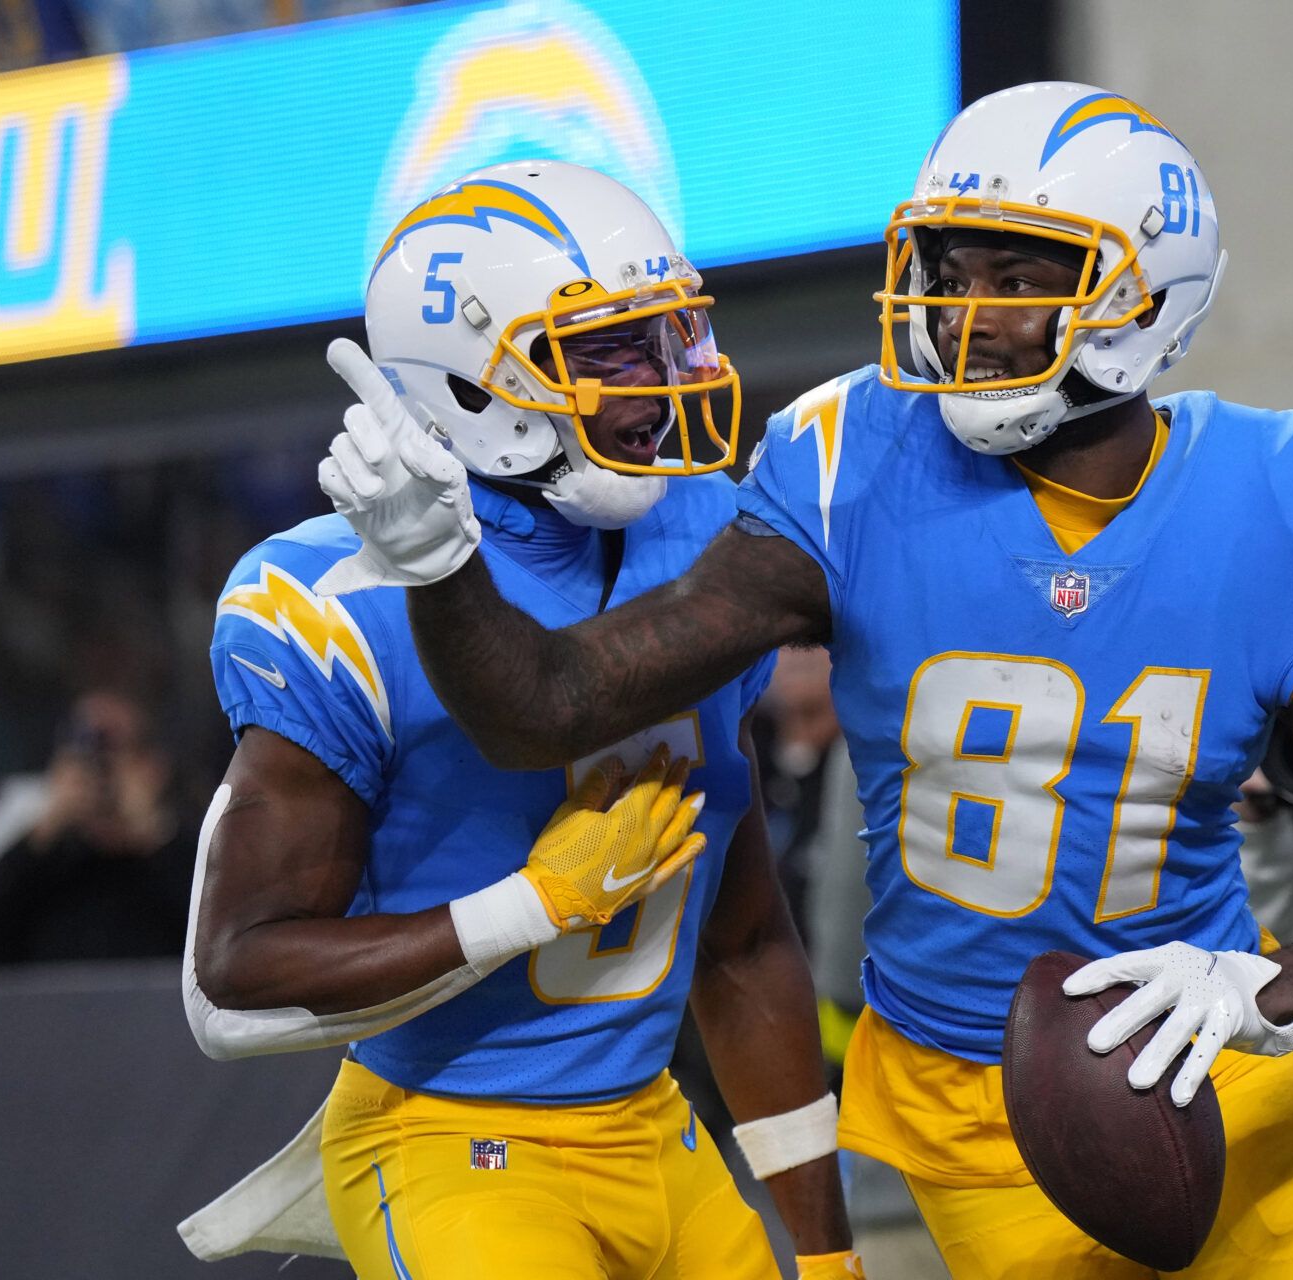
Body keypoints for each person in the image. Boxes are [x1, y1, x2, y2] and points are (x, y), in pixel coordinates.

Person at [320, 83, 1293, 1279]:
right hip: (967, 1100)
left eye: (1020, 279)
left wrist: (1255, 986)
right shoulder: (846, 464)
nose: (963, 316)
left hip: (1217, 1051)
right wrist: (443, 566)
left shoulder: (1289, 504)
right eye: (950, 269)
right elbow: (547, 707)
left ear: (1144, 300)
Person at [181, 162, 859, 1280]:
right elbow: (232, 980)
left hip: (654, 1124)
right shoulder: (339, 593)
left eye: (669, 336)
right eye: (608, 353)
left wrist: (829, 1250)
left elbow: (738, 941)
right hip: (448, 1134)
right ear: (471, 389)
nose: (662, 383)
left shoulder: (709, 535)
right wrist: (526, 907)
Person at [0, 689, 194, 965]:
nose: (99, 770)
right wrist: (47, 828)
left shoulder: (186, 854)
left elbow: (214, 936)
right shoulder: (44, 864)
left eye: (113, 749)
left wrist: (150, 837)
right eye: (84, 750)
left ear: (153, 768)